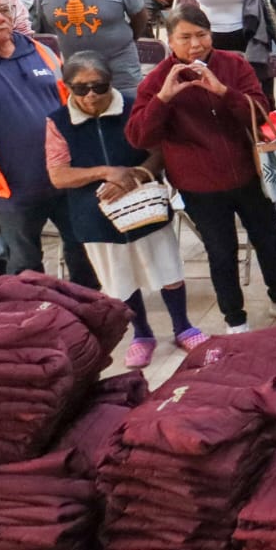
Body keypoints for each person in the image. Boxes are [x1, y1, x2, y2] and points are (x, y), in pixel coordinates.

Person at [126, 5, 276, 331]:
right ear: (169, 40)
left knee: (268, 238)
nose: (195, 44)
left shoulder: (233, 64)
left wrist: (224, 92)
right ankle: (235, 318)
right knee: (221, 250)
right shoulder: (158, 80)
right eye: (185, 37)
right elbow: (139, 136)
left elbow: (261, 112)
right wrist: (163, 100)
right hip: (198, 185)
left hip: (249, 173)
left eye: (202, 35)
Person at [46, 49, 204, 367]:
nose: (91, 95)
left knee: (167, 269)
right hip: (95, 216)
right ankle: (142, 334)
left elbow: (160, 152)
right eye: (81, 88)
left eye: (99, 86)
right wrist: (106, 173)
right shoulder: (58, 122)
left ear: (110, 82)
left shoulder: (134, 108)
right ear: (67, 88)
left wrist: (136, 175)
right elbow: (58, 175)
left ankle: (183, 326)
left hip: (145, 206)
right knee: (119, 279)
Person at [0, 0, 95, 286]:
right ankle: (38, 328)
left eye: (4, 9)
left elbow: (71, 109)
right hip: (9, 189)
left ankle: (89, 320)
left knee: (85, 256)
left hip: (65, 178)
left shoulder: (41, 51)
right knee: (26, 270)